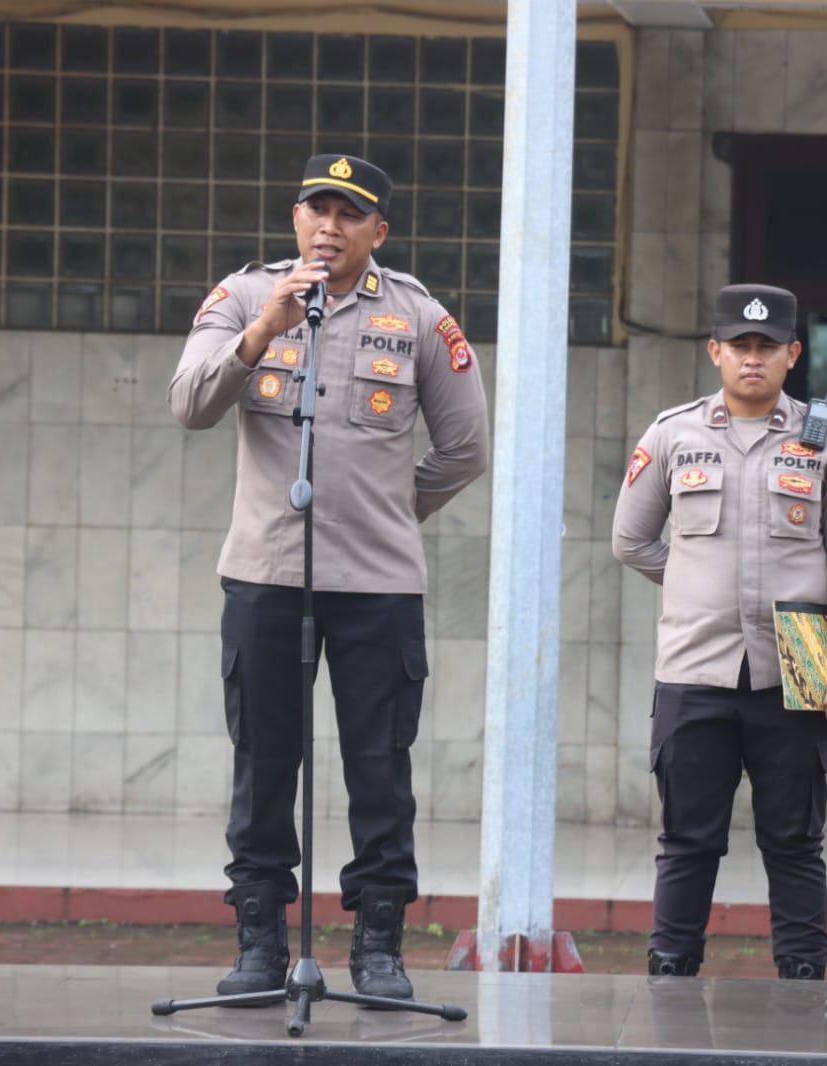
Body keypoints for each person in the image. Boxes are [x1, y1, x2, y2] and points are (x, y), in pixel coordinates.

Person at [169, 154, 490, 1001]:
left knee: (379, 769)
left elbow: (466, 447)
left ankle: (378, 947)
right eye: (317, 210)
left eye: (350, 215)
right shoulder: (245, 296)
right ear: (295, 218)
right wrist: (261, 331)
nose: (330, 227)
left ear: (378, 230)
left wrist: (388, 510)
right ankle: (259, 944)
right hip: (266, 577)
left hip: (378, 586)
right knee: (263, 762)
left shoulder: (419, 317)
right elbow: (189, 405)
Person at [611, 283, 827, 981]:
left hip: (798, 668)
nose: (751, 358)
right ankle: (670, 973)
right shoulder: (673, 434)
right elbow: (631, 540)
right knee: (686, 839)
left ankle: (803, 978)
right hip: (694, 669)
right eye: (739, 346)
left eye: (766, 347)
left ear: (792, 354)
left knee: (794, 840)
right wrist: (697, 586)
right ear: (715, 352)